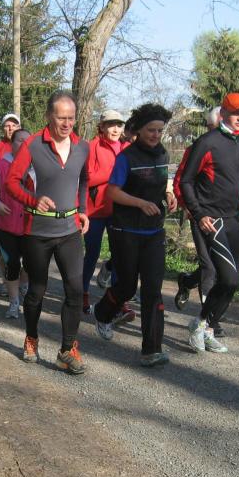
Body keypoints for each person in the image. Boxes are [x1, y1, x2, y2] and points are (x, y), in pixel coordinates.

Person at [5, 91, 90, 375]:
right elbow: (11, 183)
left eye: (71, 118)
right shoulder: (33, 145)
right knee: (36, 292)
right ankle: (31, 337)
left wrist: (83, 210)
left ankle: (67, 350)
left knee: (75, 289)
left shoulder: (82, 147)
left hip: (70, 230)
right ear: (48, 116)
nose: (67, 123)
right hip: (38, 231)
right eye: (61, 117)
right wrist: (32, 200)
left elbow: (84, 180)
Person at [180, 92, 239, 353]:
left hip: (233, 220)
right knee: (228, 278)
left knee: (232, 281)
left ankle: (206, 328)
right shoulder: (207, 142)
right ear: (223, 114)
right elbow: (186, 181)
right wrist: (198, 214)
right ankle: (200, 324)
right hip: (211, 219)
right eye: (235, 113)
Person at [92, 104, 176, 367]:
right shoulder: (127, 157)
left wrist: (169, 194)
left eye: (160, 130)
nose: (156, 135)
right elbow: (112, 192)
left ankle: (152, 349)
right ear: (139, 130)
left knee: (152, 289)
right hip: (125, 229)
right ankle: (102, 312)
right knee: (127, 286)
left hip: (154, 231)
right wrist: (140, 203)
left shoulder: (163, 154)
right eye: (151, 130)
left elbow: (162, 183)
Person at [172, 106, 239, 336]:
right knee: (209, 266)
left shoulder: (236, 147)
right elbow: (181, 181)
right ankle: (208, 322)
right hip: (202, 216)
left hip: (228, 217)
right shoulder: (198, 148)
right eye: (213, 128)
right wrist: (190, 208)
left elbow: (237, 178)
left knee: (223, 267)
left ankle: (188, 281)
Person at [81, 110, 136, 329]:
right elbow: (86, 178)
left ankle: (118, 302)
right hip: (95, 211)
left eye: (119, 125)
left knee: (120, 257)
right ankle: (83, 293)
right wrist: (115, 172)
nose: (115, 129)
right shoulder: (91, 147)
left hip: (118, 211)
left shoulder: (127, 148)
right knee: (92, 253)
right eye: (111, 124)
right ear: (101, 126)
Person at [0, 128, 33, 318]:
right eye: (20, 140)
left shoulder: (37, 167)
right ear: (12, 144)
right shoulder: (1, 165)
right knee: (12, 262)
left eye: (28, 141)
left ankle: (24, 285)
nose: (24, 144)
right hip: (5, 225)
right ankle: (14, 302)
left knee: (30, 261)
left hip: (31, 226)